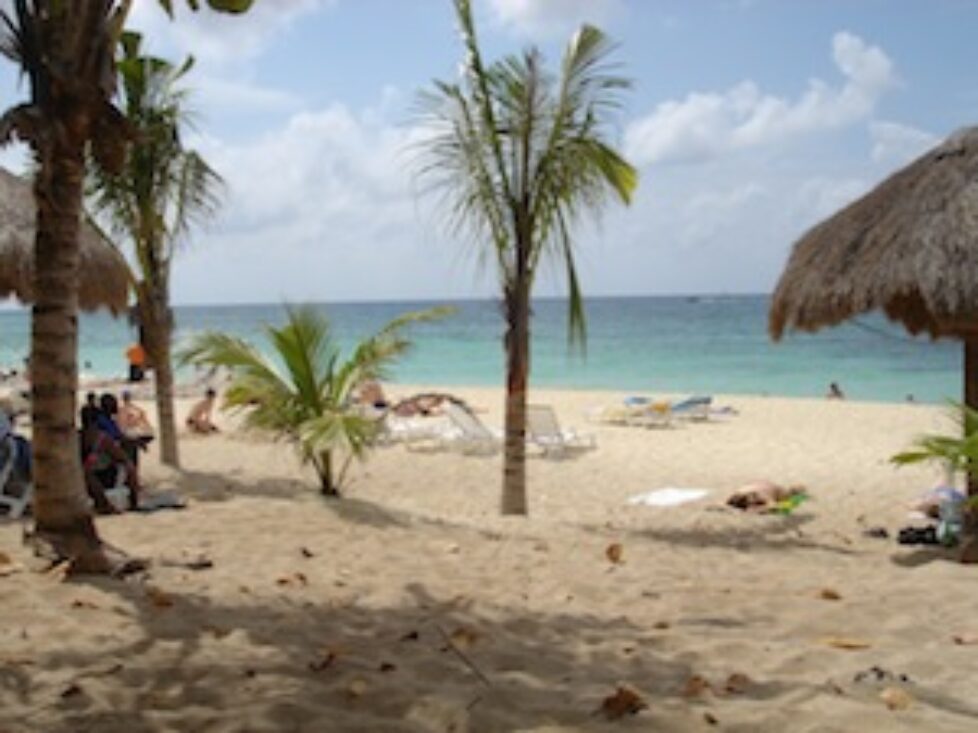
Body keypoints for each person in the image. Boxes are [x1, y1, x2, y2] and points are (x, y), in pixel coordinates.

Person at [79, 405, 141, 513]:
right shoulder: (102, 438)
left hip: (83, 482)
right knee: (128, 465)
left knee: (85, 473)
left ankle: (104, 503)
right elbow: (123, 458)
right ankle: (132, 502)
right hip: (103, 477)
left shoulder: (76, 438)